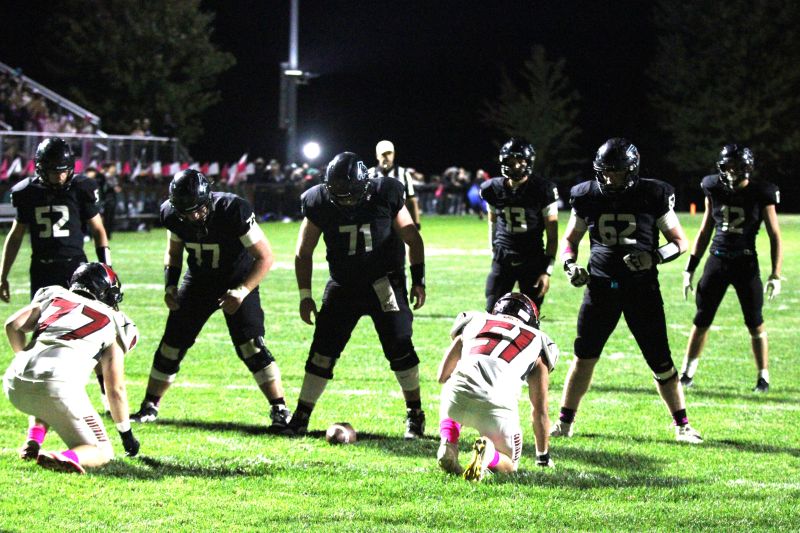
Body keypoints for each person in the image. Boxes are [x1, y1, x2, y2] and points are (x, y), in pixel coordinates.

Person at [551, 138, 703, 444]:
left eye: (617, 172)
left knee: (660, 360)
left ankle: (682, 425)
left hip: (641, 289)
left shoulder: (652, 193)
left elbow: (680, 241)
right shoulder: (586, 195)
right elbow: (570, 240)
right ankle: (565, 423)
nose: (610, 178)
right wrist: (569, 265)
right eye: (605, 171)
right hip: (600, 289)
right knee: (584, 357)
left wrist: (654, 256)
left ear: (631, 170)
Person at [130, 169, 292, 431]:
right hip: (198, 282)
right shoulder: (173, 213)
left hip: (237, 278)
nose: (192, 216)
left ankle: (280, 408)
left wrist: (242, 290)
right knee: (171, 345)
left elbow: (265, 257)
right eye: (185, 211)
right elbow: (173, 252)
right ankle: (149, 406)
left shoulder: (232, 209)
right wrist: (170, 284)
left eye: (196, 209)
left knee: (251, 346)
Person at [284, 152, 427, 439]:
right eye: (339, 194)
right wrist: (305, 295)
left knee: (400, 347)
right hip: (344, 285)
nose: (346, 200)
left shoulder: (385, 192)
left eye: (350, 194)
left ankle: (414, 413)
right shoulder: (319, 200)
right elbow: (303, 251)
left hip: (383, 281)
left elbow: (412, 237)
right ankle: (301, 414)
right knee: (322, 352)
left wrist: (418, 280)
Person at [3, 263, 140, 474]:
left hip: (13, 382)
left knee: (46, 394)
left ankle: (33, 440)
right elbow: (115, 389)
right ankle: (64, 457)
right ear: (104, 292)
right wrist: (126, 434)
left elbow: (12, 325)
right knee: (102, 452)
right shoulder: (116, 321)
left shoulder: (54, 295)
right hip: (57, 387)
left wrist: (22, 358)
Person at [679, 144, 782, 393]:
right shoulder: (713, 187)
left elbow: (774, 234)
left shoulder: (761, 193)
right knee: (701, 319)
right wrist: (690, 267)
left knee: (755, 322)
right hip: (717, 260)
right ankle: (687, 373)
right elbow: (705, 230)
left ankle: (763, 377)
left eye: (737, 166)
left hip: (745, 262)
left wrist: (775, 274)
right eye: (728, 166)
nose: (732, 171)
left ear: (747, 168)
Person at [436, 293, 559, 481]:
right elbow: (540, 410)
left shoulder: (474, 321)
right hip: (497, 407)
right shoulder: (538, 340)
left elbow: (442, 375)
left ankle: (448, 442)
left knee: (454, 385)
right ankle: (489, 453)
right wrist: (543, 456)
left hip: (456, 398)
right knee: (509, 464)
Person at [1, 137, 111, 303]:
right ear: (42, 169)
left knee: (79, 322)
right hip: (42, 267)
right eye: (54, 172)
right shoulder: (28, 192)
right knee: (43, 323)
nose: (60, 176)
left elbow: (98, 229)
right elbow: (16, 236)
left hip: (76, 267)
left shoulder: (80, 188)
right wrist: (3, 275)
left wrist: (107, 268)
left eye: (63, 171)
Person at [480, 138, 559, 312]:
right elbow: (492, 221)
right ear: (503, 161)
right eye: (510, 161)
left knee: (530, 318)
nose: (515, 166)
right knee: (491, 312)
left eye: (520, 161)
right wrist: (494, 250)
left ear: (528, 162)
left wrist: (547, 271)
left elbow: (552, 237)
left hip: (532, 258)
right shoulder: (492, 189)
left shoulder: (542, 189)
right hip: (503, 258)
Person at [369, 140, 422, 228]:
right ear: (377, 156)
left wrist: (416, 223)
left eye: (389, 153)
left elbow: (412, 200)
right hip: (377, 222)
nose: (386, 157)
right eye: (383, 154)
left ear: (394, 154)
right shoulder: (369, 174)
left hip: (400, 221)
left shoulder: (404, 173)